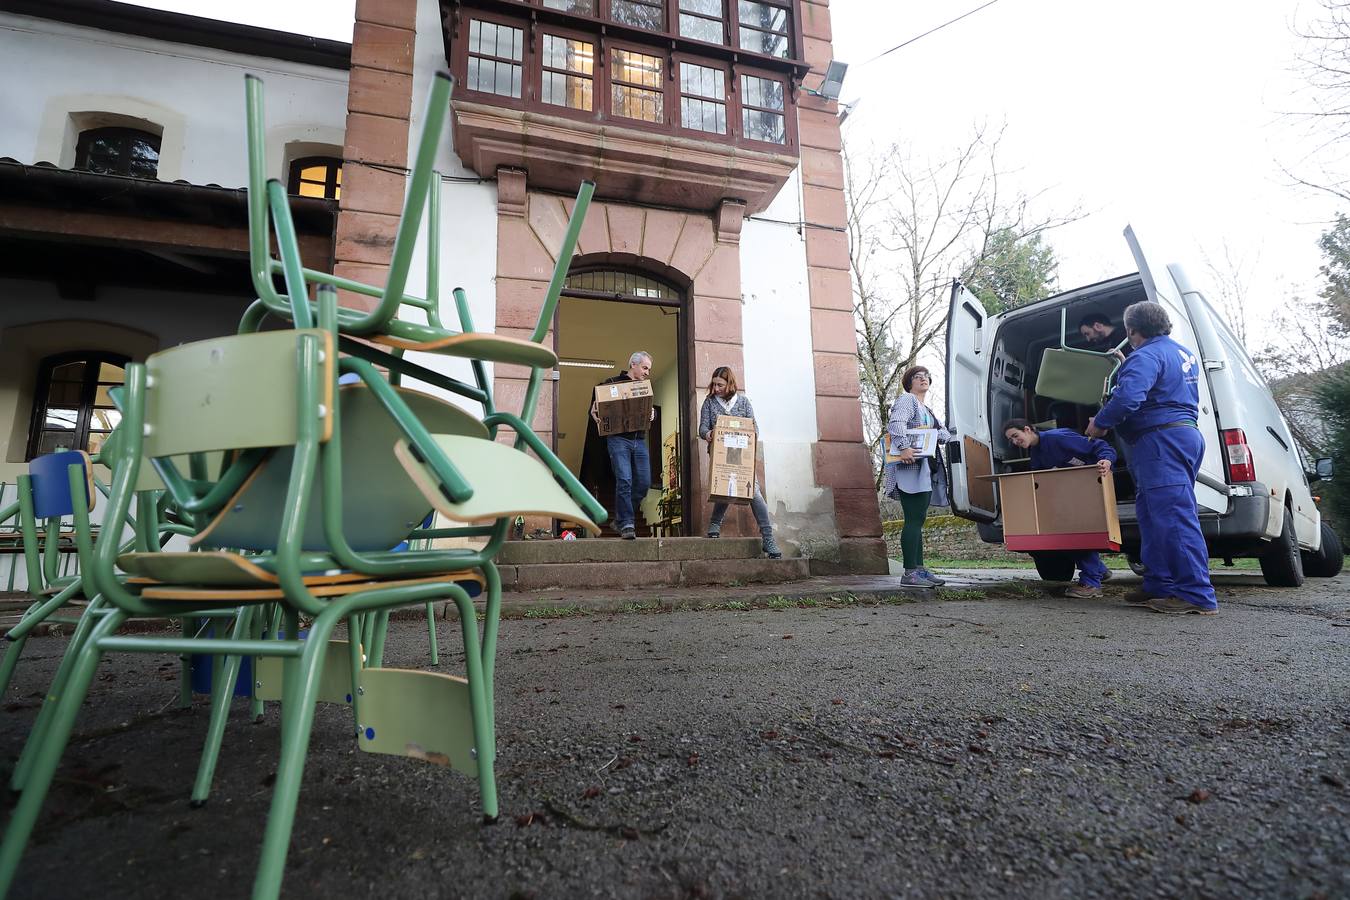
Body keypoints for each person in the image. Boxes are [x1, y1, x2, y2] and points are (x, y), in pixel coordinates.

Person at [1086, 301, 1218, 615]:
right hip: (1180, 435)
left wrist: (1101, 423)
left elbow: (1130, 397)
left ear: (1132, 330)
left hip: (1161, 441)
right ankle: (1159, 584)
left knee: (1172, 518)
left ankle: (1197, 593)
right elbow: (1161, 384)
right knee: (1153, 516)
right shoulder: (1179, 353)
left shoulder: (1146, 355)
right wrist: (1126, 364)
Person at [1002, 418, 1117, 599]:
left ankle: (1091, 583)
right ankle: (1099, 570)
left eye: (1016, 436)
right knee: (1063, 536)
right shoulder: (1036, 453)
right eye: (1011, 440)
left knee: (1081, 533)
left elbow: (1099, 445)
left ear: (1027, 429)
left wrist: (1106, 460)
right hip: (1068, 494)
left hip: (1092, 485)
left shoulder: (1058, 438)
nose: (1015, 442)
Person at [697, 366, 782, 559]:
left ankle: (768, 538)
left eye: (720, 384)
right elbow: (702, 426)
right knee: (724, 487)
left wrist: (748, 436)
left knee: (754, 492)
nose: (716, 388)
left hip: (742, 454)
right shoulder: (709, 403)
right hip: (720, 453)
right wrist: (708, 433)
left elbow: (754, 427)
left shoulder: (743, 402)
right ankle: (715, 524)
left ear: (730, 384)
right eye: (714, 384)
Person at [882, 365, 952, 587]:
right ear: (909, 382)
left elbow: (944, 433)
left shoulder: (927, 409)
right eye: (918, 377)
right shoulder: (907, 400)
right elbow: (896, 424)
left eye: (926, 377)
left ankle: (919, 570)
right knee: (913, 519)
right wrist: (903, 447)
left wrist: (934, 433)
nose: (923, 379)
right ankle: (909, 572)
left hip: (924, 468)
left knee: (918, 520)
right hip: (909, 468)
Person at [591, 351, 655, 540]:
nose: (647, 373)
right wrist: (594, 411)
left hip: (639, 440)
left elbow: (650, 411)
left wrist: (653, 415)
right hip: (618, 439)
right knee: (625, 480)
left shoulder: (644, 388)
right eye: (645, 368)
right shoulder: (611, 383)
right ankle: (627, 524)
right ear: (633, 365)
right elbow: (595, 408)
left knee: (644, 483)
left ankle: (619, 519)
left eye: (649, 369)